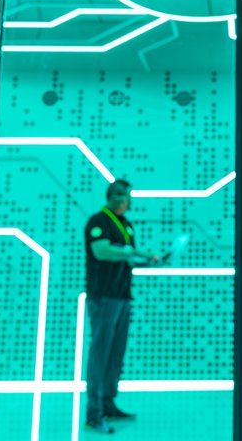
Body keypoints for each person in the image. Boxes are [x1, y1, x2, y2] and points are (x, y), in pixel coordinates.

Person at [83, 179, 158, 433]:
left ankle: (108, 404)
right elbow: (102, 252)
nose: (129, 201)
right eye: (126, 196)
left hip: (123, 297)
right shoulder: (98, 221)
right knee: (100, 355)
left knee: (115, 355)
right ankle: (94, 414)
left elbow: (129, 260)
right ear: (114, 197)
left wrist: (147, 261)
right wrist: (133, 253)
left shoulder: (127, 225)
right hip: (103, 298)